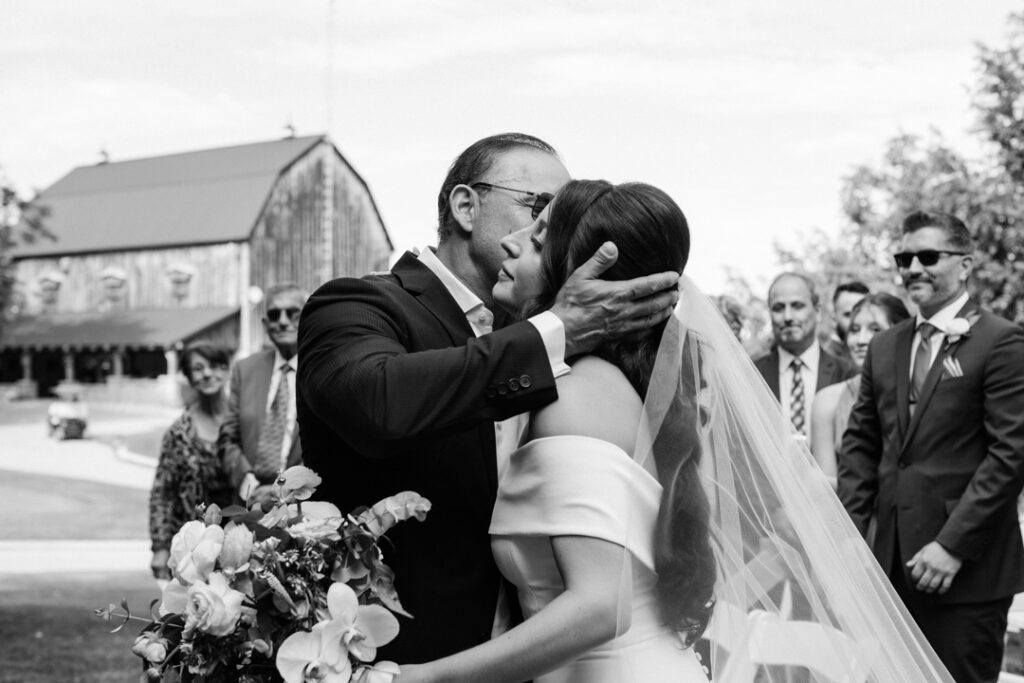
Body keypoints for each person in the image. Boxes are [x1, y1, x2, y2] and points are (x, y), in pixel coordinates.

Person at [395, 181, 954, 683]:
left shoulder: (577, 394)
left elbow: (598, 607)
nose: (513, 243)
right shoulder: (616, 386)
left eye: (540, 241)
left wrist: (426, 679)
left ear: (582, 276)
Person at [297, 134, 680, 663]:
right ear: (465, 206)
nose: (556, 228)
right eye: (540, 208)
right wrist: (553, 332)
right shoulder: (357, 303)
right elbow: (376, 403)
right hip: (401, 658)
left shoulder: (577, 370)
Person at [839, 210, 1024, 683]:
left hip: (967, 575)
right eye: (904, 257)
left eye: (928, 256)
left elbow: (1010, 455)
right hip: (889, 576)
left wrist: (952, 546)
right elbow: (861, 448)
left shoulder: (1001, 342)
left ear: (964, 264)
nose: (913, 267)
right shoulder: (884, 347)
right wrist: (851, 543)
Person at [149, 341, 234, 583]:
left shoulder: (244, 423)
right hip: (192, 550)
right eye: (198, 368)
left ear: (228, 371)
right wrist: (160, 547)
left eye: (216, 366)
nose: (208, 373)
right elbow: (162, 492)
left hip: (240, 543)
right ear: (188, 376)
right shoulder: (179, 432)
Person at [218, 282, 307, 506]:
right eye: (275, 314)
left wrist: (286, 489)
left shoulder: (323, 370)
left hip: (303, 510)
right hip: (248, 504)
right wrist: (250, 487)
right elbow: (228, 438)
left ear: (307, 318)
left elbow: (331, 447)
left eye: (293, 313)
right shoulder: (244, 370)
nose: (283, 321)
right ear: (266, 324)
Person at [811, 293, 909, 486]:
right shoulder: (828, 401)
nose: (861, 340)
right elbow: (825, 488)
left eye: (875, 329)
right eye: (854, 330)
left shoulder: (917, 394)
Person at [754, 272, 855, 440]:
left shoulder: (846, 375)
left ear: (818, 311)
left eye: (797, 306)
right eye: (778, 308)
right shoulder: (752, 375)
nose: (788, 317)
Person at [823, 281, 870, 362]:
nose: (856, 321)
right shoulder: (829, 361)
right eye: (849, 315)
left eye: (863, 314)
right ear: (834, 319)